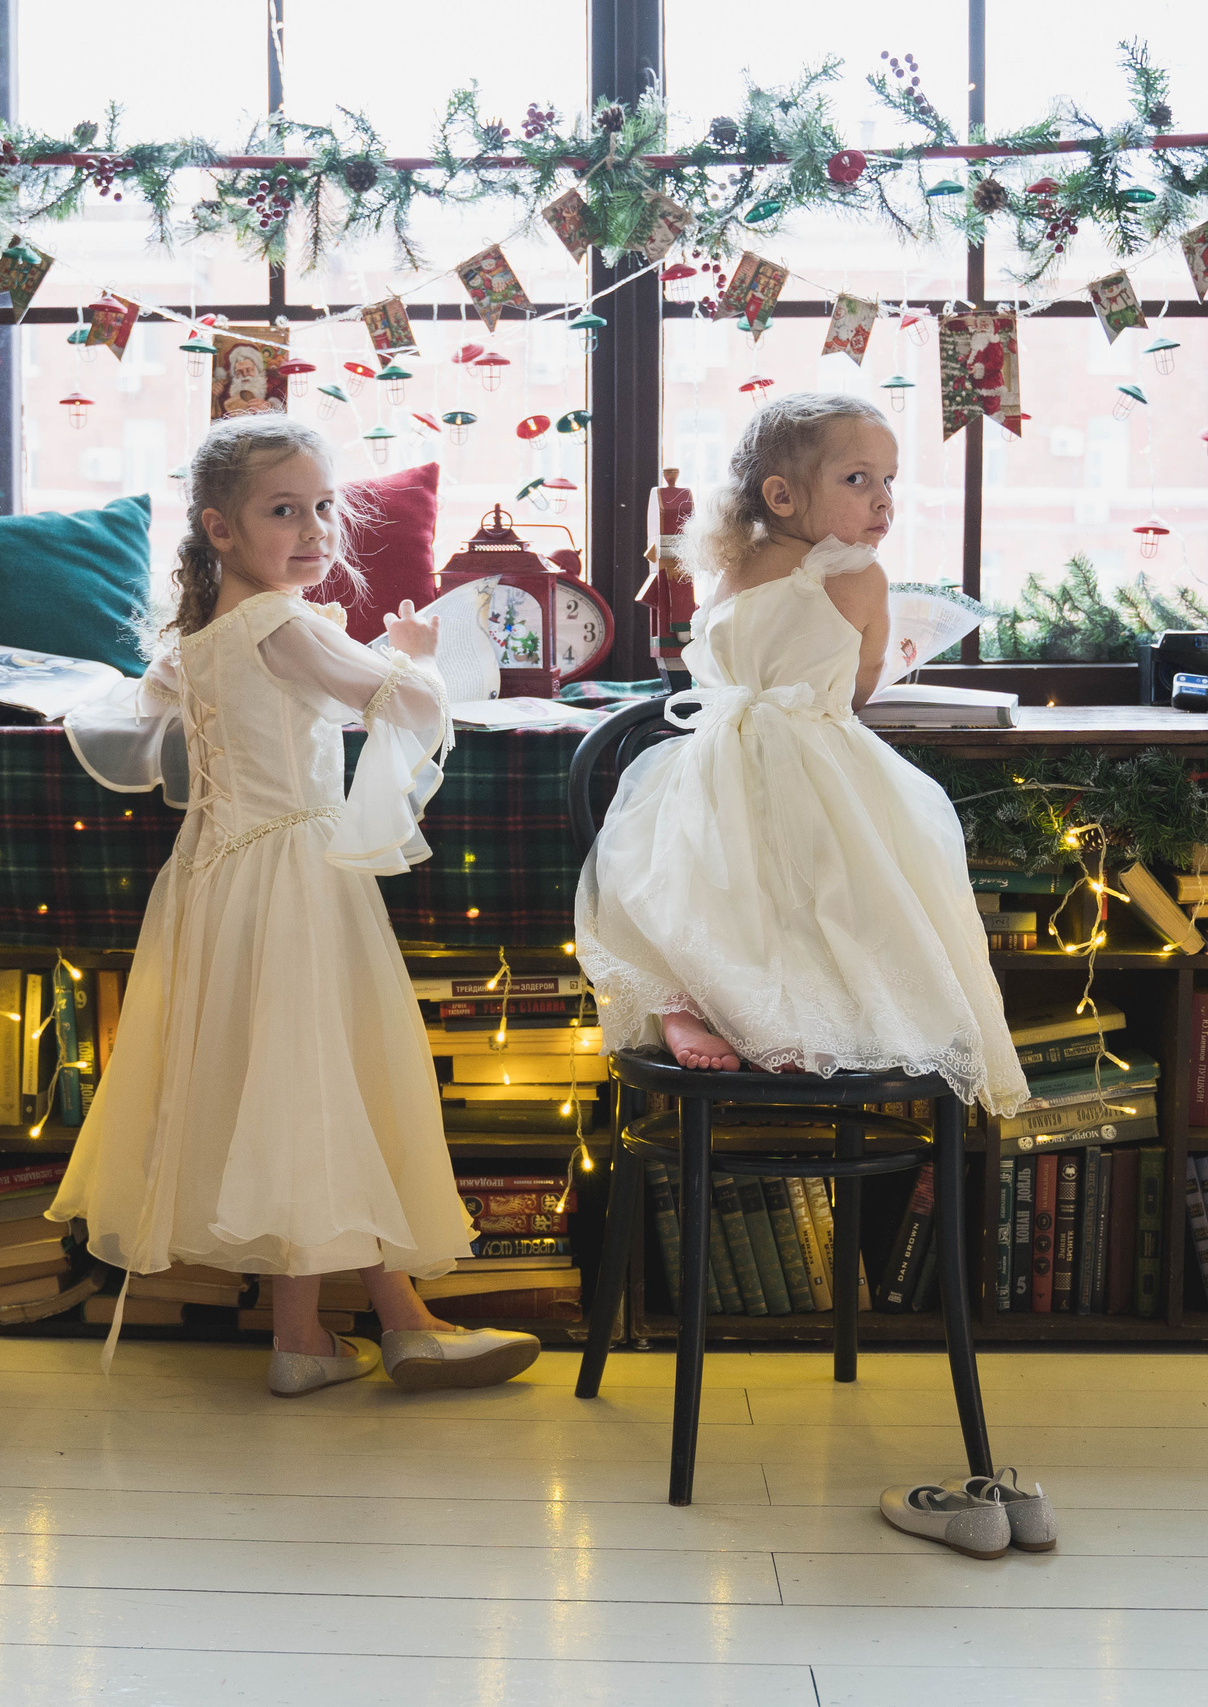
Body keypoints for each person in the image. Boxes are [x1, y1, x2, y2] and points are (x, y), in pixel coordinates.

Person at [571, 391, 1046, 1551]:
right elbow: (864, 687)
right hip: (817, 784)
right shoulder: (856, 581)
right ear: (787, 494)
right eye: (858, 480)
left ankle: (699, 1006)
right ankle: (829, 1027)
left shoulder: (729, 573)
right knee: (863, 902)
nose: (881, 502)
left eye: (888, 481)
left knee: (706, 901)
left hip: (709, 786)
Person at [54, 415, 540, 1397]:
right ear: (219, 529)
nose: (315, 528)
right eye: (286, 511)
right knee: (321, 1083)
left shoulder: (196, 641)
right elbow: (406, 707)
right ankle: (372, 1326)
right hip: (295, 876)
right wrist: (411, 650)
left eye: (323, 507)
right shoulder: (283, 624)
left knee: (288, 1090)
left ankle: (307, 1337)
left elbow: (140, 734)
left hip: (215, 883)